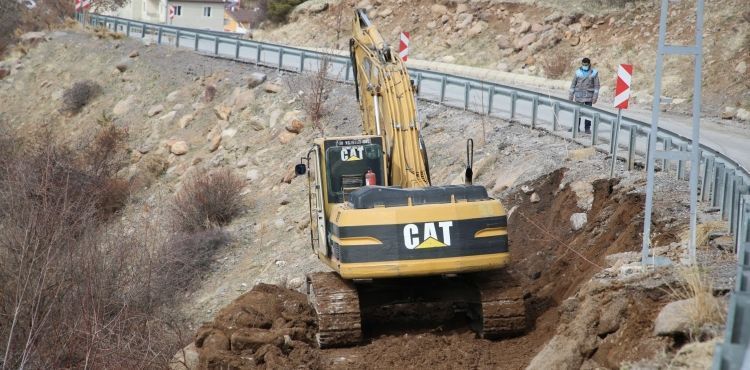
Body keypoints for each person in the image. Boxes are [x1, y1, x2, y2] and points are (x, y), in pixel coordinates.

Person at [568, 57, 600, 134]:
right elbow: (573, 85)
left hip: (589, 96)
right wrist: (571, 96)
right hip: (579, 96)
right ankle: (576, 127)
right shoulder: (578, 72)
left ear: (589, 64)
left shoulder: (594, 73)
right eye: (583, 64)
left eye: (586, 64)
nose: (584, 66)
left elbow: (597, 86)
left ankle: (587, 128)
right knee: (577, 112)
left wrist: (595, 97)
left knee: (588, 113)